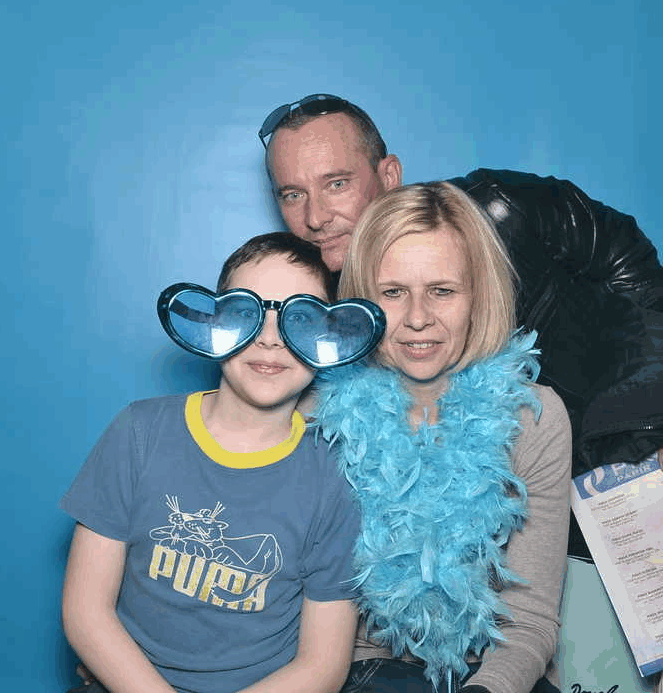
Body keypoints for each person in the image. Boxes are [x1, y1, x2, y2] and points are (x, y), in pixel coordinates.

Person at [259, 93, 663, 552]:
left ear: (388, 176)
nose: (315, 218)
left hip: (625, 457)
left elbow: (629, 262)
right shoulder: (321, 312)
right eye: (293, 194)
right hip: (498, 518)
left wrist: (639, 412)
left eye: (336, 184)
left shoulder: (499, 209)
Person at [60, 232, 384, 693]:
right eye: (246, 314)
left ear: (329, 338)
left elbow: (323, 665)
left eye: (300, 320)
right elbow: (86, 612)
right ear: (214, 323)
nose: (270, 340)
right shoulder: (139, 432)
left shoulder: (335, 477)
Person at [315, 182, 571, 693]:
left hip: (493, 671)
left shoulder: (534, 418)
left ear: (479, 296)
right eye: (392, 293)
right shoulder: (318, 414)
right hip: (362, 669)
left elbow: (530, 621)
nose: (417, 318)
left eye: (442, 291)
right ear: (362, 301)